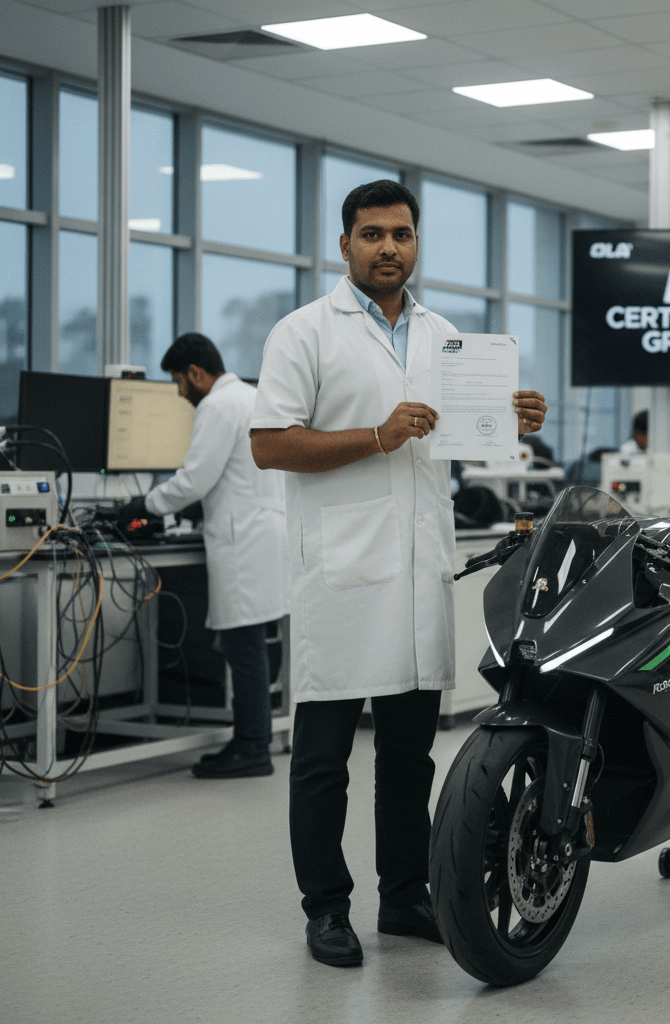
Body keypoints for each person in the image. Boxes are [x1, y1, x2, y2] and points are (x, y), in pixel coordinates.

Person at [248, 180, 547, 968]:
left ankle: (405, 896)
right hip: (341, 578)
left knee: (408, 757)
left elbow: (460, 440)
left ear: (417, 244)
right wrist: (377, 437)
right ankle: (326, 909)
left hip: (418, 577)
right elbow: (271, 444)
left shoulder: (446, 337)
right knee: (322, 759)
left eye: (402, 234)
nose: (389, 247)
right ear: (343, 244)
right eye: (373, 234)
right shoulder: (304, 333)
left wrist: (510, 421)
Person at [124, 333, 289, 777]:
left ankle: (253, 747)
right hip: (266, 533)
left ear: (196, 373)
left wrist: (142, 506)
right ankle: (249, 738)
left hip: (244, 541)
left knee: (243, 646)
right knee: (250, 644)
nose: (180, 392)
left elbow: (195, 478)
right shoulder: (253, 397)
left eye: (179, 382)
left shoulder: (218, 405)